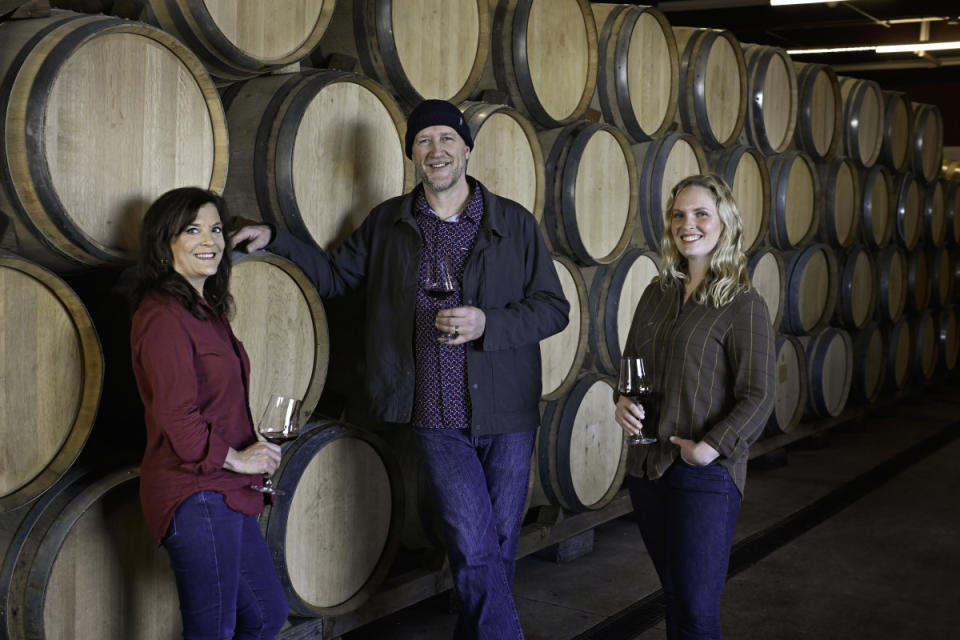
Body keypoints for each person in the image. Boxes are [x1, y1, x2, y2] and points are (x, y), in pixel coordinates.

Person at [231, 99, 569, 640]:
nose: (436, 150)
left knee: (500, 543)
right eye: (424, 141)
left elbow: (554, 308)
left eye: (446, 139)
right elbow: (337, 276)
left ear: (466, 149)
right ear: (412, 153)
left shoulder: (514, 223)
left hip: (507, 409)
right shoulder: (390, 221)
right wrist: (278, 239)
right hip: (435, 413)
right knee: (473, 542)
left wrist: (488, 323)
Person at [613, 174, 776, 639]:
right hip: (648, 467)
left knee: (697, 608)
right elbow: (631, 368)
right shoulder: (657, 293)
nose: (689, 224)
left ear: (724, 222)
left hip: (704, 473)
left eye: (702, 213)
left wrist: (709, 448)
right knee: (675, 597)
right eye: (679, 215)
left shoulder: (742, 303)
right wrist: (623, 400)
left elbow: (759, 394)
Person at [130, 187, 289, 640]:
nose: (211, 240)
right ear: (166, 242)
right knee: (212, 632)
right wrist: (240, 459)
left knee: (266, 615)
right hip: (196, 492)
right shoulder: (161, 316)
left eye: (216, 229)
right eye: (193, 229)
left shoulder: (202, 309)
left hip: (224, 489)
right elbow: (178, 418)